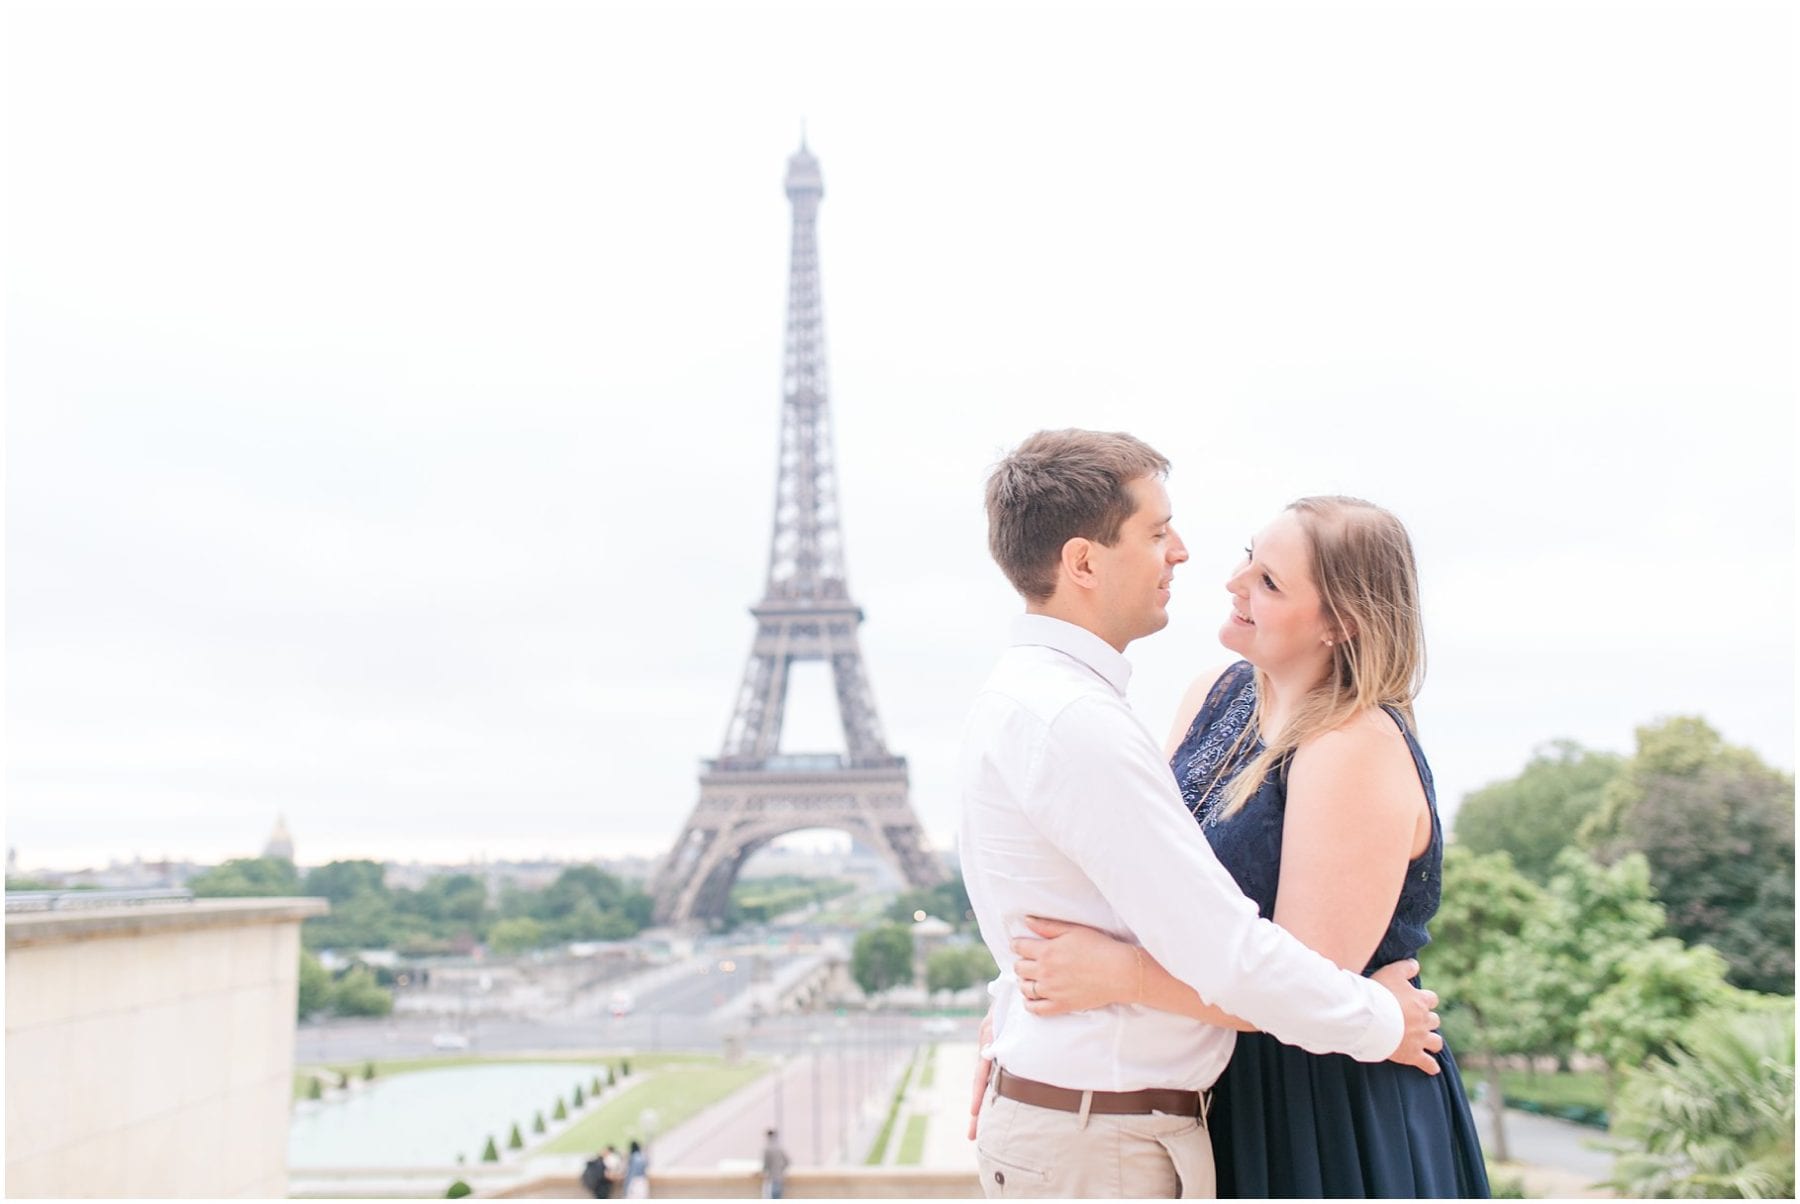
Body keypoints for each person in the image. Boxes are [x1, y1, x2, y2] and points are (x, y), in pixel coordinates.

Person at [960, 430, 1444, 1199]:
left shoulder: (1352, 747)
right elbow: (1111, 887)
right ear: (1083, 561)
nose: (1223, 576)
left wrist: (1118, 976)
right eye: (1248, 559)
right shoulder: (1211, 696)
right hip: (1223, 1089)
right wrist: (1021, 1007)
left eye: (1270, 581)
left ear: (1341, 622)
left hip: (1318, 1096)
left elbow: (1293, 970)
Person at [761, 1128, 790, 1198]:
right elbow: (787, 1161)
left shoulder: (767, 1149)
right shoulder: (779, 1147)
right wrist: (781, 1170)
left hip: (772, 1179)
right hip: (780, 1177)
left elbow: (766, 1165)